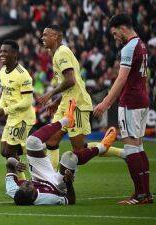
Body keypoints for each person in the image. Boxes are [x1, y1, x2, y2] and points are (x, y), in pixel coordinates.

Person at [38, 25, 122, 170]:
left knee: (79, 153)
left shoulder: (62, 52)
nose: (42, 38)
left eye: (46, 35)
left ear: (56, 37)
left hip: (76, 105)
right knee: (51, 140)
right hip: (66, 103)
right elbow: (70, 85)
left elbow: (71, 81)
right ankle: (51, 180)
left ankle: (112, 149)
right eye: (42, 35)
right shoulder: (57, 54)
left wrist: (51, 93)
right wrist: (56, 103)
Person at [6, 100, 118, 205]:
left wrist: (14, 163)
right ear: (33, 197)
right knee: (69, 157)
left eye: (23, 186)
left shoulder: (14, 191)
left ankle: (67, 120)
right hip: (57, 184)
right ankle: (102, 147)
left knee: (32, 141)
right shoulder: (47, 198)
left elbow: (9, 164)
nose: (25, 183)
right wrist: (68, 182)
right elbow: (70, 200)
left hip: (37, 175)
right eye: (27, 188)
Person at [94, 14, 152, 205]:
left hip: (130, 102)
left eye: (114, 33)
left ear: (122, 28)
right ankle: (145, 194)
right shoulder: (141, 44)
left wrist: (105, 103)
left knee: (130, 147)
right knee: (139, 147)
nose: (115, 37)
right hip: (142, 100)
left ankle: (139, 195)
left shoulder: (129, 47)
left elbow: (121, 78)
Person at [0, 40, 36, 180]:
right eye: (1, 51)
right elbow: (5, 93)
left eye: (5, 51)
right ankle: (34, 148)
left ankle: (22, 182)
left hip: (23, 117)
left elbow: (28, 102)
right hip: (12, 116)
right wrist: (0, 106)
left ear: (15, 54)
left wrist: (5, 111)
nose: (2, 54)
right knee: (4, 151)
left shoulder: (23, 74)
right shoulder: (2, 72)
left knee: (10, 152)